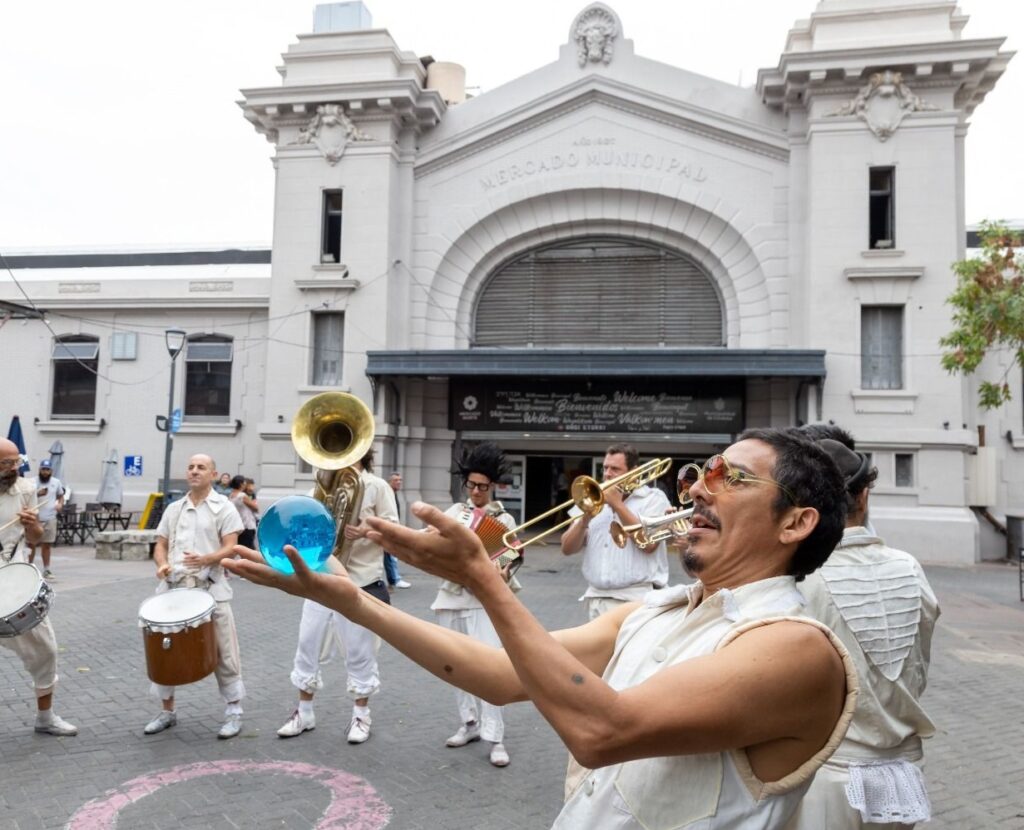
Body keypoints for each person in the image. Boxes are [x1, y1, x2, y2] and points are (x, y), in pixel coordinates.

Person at [227, 428, 859, 828]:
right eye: (704, 471)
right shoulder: (659, 610)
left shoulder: (794, 646)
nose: (697, 489)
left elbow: (602, 730)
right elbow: (502, 676)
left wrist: (483, 579)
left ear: (796, 523)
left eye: (732, 478)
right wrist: (352, 602)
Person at [786, 426, 939, 830]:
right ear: (864, 496)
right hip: (902, 773)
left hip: (824, 779)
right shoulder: (911, 567)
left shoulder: (797, 578)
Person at [275, 447, 399, 744]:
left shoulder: (377, 486)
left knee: (359, 651)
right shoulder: (319, 486)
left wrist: (368, 531)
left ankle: (361, 715)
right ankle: (304, 711)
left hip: (360, 580)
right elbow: (303, 524)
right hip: (321, 577)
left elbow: (394, 531)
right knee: (308, 644)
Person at [143, 453, 246, 739]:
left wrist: (207, 559)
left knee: (225, 651)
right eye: (190, 467)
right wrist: (162, 564)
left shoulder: (223, 507)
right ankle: (167, 711)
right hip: (175, 588)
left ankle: (234, 712)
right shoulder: (174, 508)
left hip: (211, 589)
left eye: (201, 467)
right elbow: (160, 545)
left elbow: (232, 547)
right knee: (164, 648)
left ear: (213, 474)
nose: (194, 471)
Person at [433, 442, 518, 768]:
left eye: (483, 486)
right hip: (450, 597)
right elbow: (434, 544)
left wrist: (504, 569)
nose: (477, 492)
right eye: (472, 485)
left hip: (482, 602)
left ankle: (495, 737)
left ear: (493, 486)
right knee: (454, 666)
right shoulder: (455, 513)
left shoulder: (504, 520)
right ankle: (468, 723)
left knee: (488, 668)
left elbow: (512, 561)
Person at [0, 438, 77, 736]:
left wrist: (32, 524)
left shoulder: (26, 489)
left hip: (15, 573)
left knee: (45, 648)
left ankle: (45, 717)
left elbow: (35, 537)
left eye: (16, 462)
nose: (13, 469)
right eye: (6, 464)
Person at [560, 443, 672, 620]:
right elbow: (567, 549)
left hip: (636, 600)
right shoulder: (592, 498)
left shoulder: (653, 498)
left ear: (634, 471)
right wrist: (584, 519)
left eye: (615, 469)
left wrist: (617, 505)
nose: (607, 474)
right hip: (596, 598)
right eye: (605, 468)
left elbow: (649, 544)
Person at [27, 459, 64, 579]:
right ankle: (29, 568)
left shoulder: (56, 482)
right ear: (39, 470)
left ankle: (47, 569)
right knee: (31, 544)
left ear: (51, 471)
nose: (45, 472)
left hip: (50, 517)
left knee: (47, 545)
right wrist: (37, 494)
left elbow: (61, 496)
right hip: (35, 517)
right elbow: (26, 496)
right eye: (43, 469)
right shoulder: (32, 481)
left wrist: (60, 504)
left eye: (47, 470)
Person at [383, 472, 411, 590]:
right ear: (389, 482)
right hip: (388, 528)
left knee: (389, 556)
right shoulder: (387, 493)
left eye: (400, 480)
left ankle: (393, 580)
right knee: (390, 555)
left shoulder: (394, 494)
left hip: (392, 527)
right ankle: (395, 580)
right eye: (395, 480)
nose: (399, 482)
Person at [227, 474, 258, 549]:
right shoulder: (242, 495)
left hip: (238, 525)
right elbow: (256, 508)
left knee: (241, 548)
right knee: (249, 549)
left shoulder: (231, 495)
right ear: (241, 484)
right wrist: (254, 502)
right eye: (244, 483)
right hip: (247, 525)